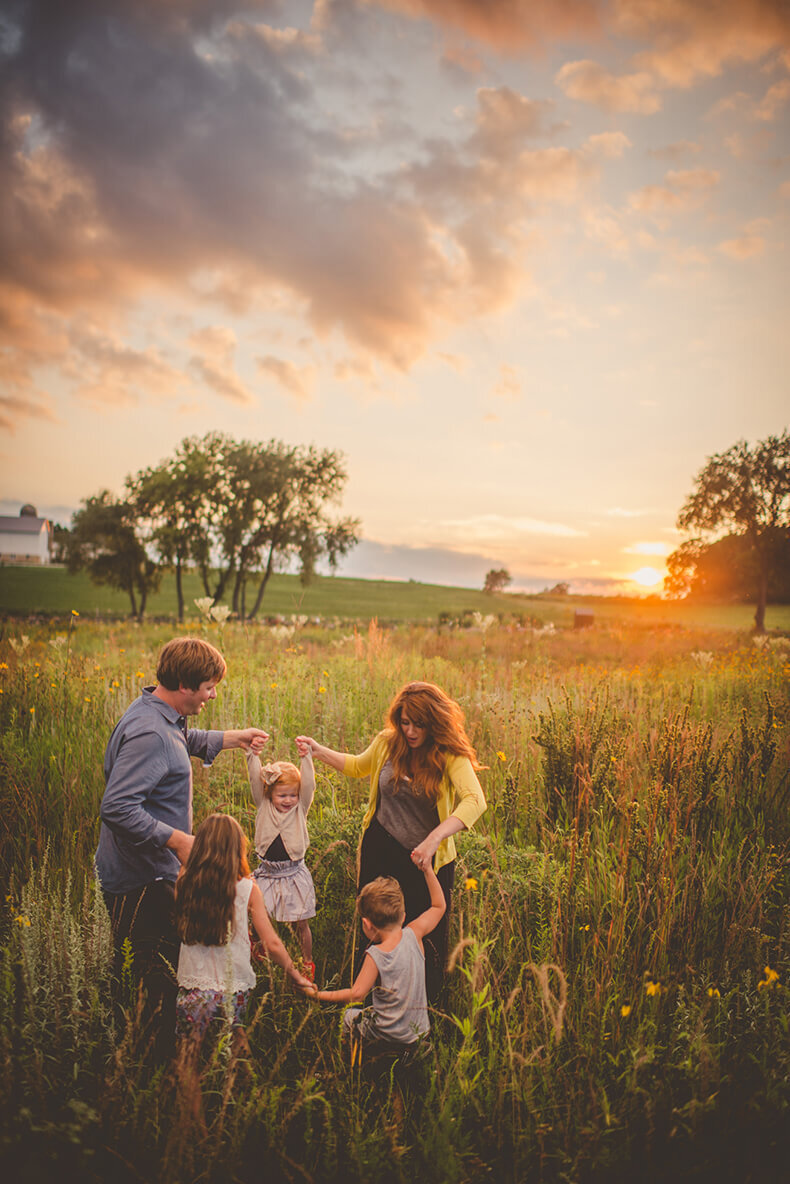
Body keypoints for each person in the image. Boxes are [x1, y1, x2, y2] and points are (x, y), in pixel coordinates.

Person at [96, 636, 269, 1054]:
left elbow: (180, 742)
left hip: (147, 873)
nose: (213, 694)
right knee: (154, 981)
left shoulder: (158, 712)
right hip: (143, 881)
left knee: (153, 971)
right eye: (209, 686)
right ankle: (153, 1071)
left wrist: (232, 738)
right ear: (186, 686)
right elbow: (116, 808)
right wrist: (178, 841)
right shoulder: (150, 733)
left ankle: (155, 1054)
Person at [297, 680, 486, 1001]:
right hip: (380, 851)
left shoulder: (450, 754)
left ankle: (423, 1008)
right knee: (376, 926)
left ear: (434, 722)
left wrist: (433, 840)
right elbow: (358, 766)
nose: (410, 731)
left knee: (424, 938)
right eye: (405, 722)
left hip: (426, 862)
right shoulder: (388, 742)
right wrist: (317, 750)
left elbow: (475, 800)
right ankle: (371, 998)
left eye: (419, 724)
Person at [175, 813, 312, 1043]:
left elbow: (178, 913)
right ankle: (241, 1077)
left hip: (194, 984)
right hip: (234, 986)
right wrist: (294, 974)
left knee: (189, 1053)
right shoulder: (248, 888)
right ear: (237, 849)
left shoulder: (184, 881)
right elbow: (272, 943)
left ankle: (190, 1079)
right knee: (236, 1040)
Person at [309, 868, 445, 1055]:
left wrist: (317, 995)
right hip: (419, 1031)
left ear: (367, 924)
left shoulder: (376, 955)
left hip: (387, 1036)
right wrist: (428, 869)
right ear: (403, 916)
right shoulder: (415, 934)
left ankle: (354, 1061)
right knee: (374, 1009)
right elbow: (439, 906)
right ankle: (413, 1050)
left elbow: (356, 995)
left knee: (349, 1017)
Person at [245, 739, 317, 978]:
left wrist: (306, 757)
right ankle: (258, 950)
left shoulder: (300, 809)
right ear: (269, 794)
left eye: (292, 795)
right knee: (257, 916)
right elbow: (255, 781)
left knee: (301, 923)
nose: (288, 800)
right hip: (268, 872)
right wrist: (252, 754)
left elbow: (309, 785)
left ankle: (307, 963)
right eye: (282, 795)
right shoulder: (263, 805)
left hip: (294, 872)